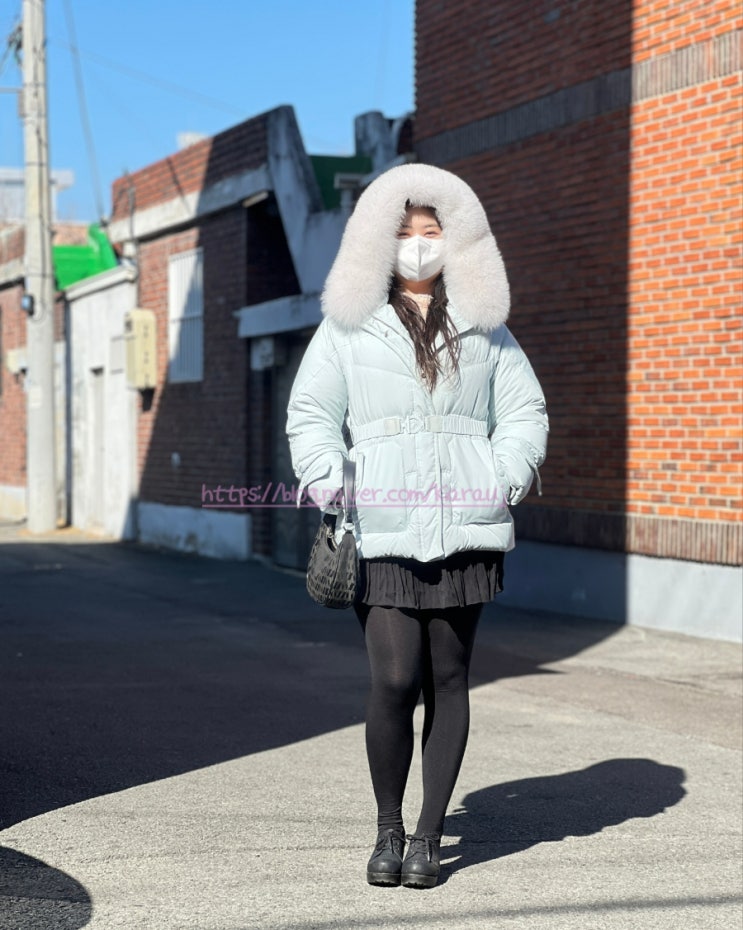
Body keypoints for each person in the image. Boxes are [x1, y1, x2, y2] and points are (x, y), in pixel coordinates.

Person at [286, 163, 548, 889]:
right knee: (395, 678)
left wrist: (502, 474)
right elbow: (311, 412)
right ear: (378, 242)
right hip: (381, 524)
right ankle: (387, 829)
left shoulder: (484, 325)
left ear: (456, 241)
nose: (419, 244)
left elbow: (523, 410)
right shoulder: (349, 325)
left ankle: (428, 838)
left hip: (465, 525)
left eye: (432, 231)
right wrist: (330, 478)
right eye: (405, 232)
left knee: (450, 678)